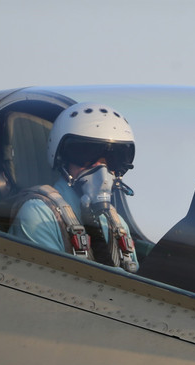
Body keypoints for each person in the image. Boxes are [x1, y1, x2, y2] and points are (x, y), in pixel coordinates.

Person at [10, 102, 139, 273]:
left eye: (113, 158)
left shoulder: (118, 225)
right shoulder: (38, 216)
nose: (101, 169)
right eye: (86, 153)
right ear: (61, 157)